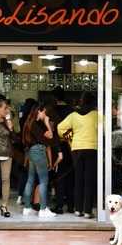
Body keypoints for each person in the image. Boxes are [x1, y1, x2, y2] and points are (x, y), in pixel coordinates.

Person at [57, 92, 98, 219]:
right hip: (91, 148)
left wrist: (70, 138)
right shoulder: (96, 115)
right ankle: (87, 211)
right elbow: (106, 127)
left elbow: (60, 128)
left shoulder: (73, 116)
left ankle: (78, 209)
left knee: (78, 179)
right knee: (89, 180)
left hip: (77, 149)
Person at [22, 102, 62, 218]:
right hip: (39, 152)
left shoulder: (29, 123)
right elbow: (50, 138)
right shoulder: (38, 124)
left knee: (30, 179)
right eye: (44, 112)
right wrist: (47, 123)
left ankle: (27, 207)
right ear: (40, 111)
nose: (45, 114)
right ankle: (43, 209)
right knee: (43, 181)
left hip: (31, 152)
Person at [50, 86, 74, 214]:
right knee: (70, 176)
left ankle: (59, 206)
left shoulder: (53, 111)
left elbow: (52, 131)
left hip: (57, 147)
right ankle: (71, 205)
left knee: (59, 177)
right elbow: (72, 130)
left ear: (54, 98)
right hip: (70, 147)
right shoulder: (71, 111)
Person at [0, 97, 16, 218]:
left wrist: (10, 126)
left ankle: (4, 206)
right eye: (5, 108)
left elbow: (14, 138)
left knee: (5, 180)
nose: (7, 110)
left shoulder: (7, 121)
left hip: (7, 153)